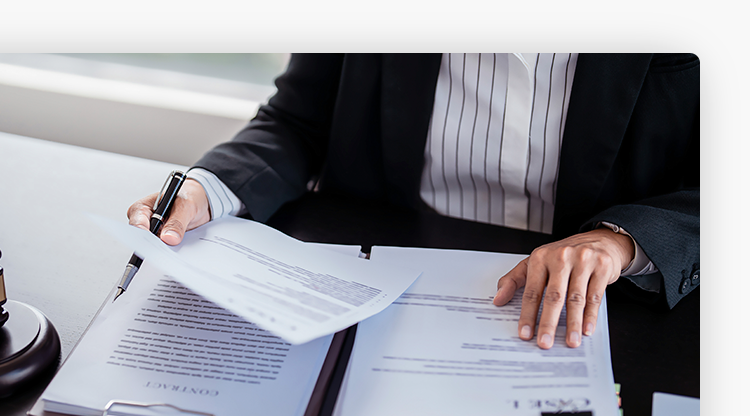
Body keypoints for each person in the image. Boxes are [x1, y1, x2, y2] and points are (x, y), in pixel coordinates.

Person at [128, 53, 699, 350]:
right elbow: (297, 123)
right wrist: (210, 187)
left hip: (602, 316)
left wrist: (618, 240)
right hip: (371, 290)